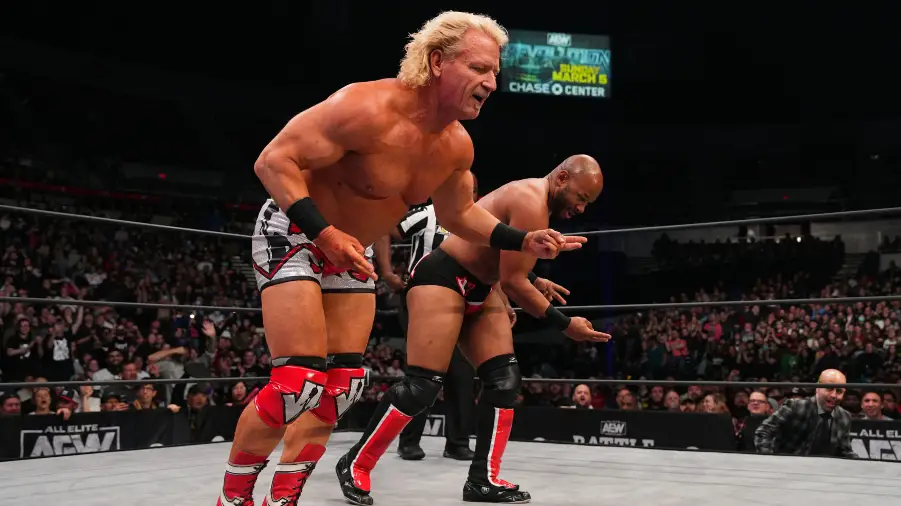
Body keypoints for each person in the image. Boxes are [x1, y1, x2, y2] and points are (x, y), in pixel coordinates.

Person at [219, 11, 587, 506]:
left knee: (343, 387)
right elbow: (273, 160)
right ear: (437, 62)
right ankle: (234, 500)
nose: (491, 83)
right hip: (297, 230)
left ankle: (283, 499)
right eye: (479, 68)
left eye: (495, 72)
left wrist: (523, 241)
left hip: (350, 250)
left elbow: (459, 215)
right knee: (295, 384)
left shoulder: (456, 146)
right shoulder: (364, 107)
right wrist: (324, 232)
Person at [336, 154, 610, 505]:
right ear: (562, 179)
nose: (581, 209)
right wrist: (565, 324)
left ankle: (483, 480)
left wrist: (534, 278)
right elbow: (512, 283)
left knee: (504, 379)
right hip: (443, 277)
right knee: (422, 386)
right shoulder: (531, 200)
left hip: (482, 286)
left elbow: (502, 257)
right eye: (581, 198)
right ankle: (355, 462)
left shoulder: (536, 203)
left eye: (588, 204)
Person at [373, 177, 480, 461]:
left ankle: (457, 443)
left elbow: (493, 262)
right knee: (424, 371)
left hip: (462, 303)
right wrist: (387, 272)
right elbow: (384, 228)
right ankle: (408, 441)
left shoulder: (478, 221)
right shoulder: (428, 214)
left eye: (470, 189)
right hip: (421, 301)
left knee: (462, 372)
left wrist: (504, 302)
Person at [754, 369, 857, 458]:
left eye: (839, 391)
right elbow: (763, 432)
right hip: (789, 467)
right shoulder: (796, 406)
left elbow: (844, 450)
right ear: (818, 388)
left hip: (823, 470)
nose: (834, 395)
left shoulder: (844, 416)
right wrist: (771, 460)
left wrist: (860, 463)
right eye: (829, 389)